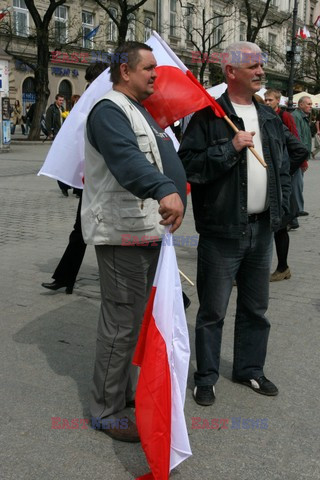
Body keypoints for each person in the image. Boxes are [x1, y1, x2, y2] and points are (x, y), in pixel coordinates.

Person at [81, 41, 185, 442]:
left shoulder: (138, 110)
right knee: (121, 322)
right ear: (125, 71)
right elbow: (128, 161)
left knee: (133, 321)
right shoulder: (109, 111)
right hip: (121, 234)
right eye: (148, 68)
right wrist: (164, 188)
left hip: (144, 231)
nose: (155, 74)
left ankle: (121, 395)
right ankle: (106, 411)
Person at [179, 41, 292, 406]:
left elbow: (283, 166)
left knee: (256, 308)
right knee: (212, 310)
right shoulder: (208, 116)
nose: (262, 71)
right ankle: (206, 377)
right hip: (222, 231)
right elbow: (190, 166)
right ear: (231, 71)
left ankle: (249, 369)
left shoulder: (270, 116)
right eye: (254, 66)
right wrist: (230, 147)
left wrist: (282, 212)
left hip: (262, 230)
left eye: (262, 66)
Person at [42, 63, 108, 295]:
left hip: (111, 183)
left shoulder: (110, 102)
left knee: (128, 241)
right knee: (80, 230)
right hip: (94, 179)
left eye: (92, 82)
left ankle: (172, 294)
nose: (90, 86)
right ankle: (64, 277)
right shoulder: (95, 100)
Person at [264, 89, 308, 281]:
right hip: (273, 181)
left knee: (280, 224)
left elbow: (298, 145)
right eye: (264, 100)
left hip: (280, 181)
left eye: (269, 100)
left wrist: (284, 170)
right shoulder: (268, 119)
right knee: (277, 225)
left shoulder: (282, 119)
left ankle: (282, 267)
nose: (266, 102)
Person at [45, 94, 71, 196]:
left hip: (63, 134)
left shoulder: (63, 109)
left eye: (62, 100)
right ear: (56, 100)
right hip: (56, 134)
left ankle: (67, 185)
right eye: (60, 100)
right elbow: (48, 121)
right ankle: (63, 186)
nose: (61, 102)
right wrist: (49, 133)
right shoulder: (52, 109)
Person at [292, 96, 311, 219]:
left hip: (301, 156)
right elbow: (297, 139)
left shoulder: (302, 117)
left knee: (299, 183)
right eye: (308, 104)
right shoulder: (296, 116)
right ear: (300, 105)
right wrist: (302, 159)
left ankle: (298, 208)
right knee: (297, 184)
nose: (310, 106)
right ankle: (297, 209)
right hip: (298, 157)